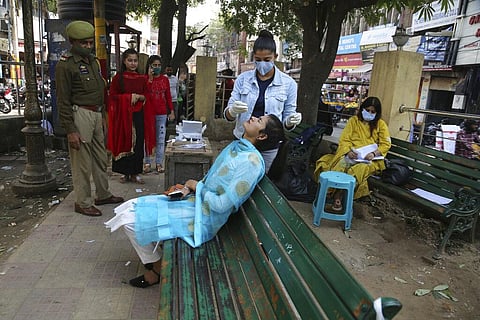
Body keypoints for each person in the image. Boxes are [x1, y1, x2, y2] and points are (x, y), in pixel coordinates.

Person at [105, 114, 285, 288]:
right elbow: (210, 180)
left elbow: (222, 205)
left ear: (262, 135)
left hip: (204, 218)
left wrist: (196, 186)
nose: (253, 117)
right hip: (194, 202)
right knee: (129, 206)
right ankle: (155, 263)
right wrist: (187, 188)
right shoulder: (238, 147)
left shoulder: (251, 163)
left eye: (259, 120)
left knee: (129, 222)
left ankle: (157, 269)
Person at [56, 20, 124, 217]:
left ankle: (103, 194)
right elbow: (63, 100)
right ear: (72, 42)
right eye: (83, 43)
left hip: (96, 114)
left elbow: (100, 90)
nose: (87, 46)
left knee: (101, 158)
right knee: (82, 163)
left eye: (89, 42)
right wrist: (70, 130)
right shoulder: (66, 65)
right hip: (80, 114)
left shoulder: (93, 61)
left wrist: (102, 115)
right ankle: (83, 202)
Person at [224, 30, 301, 172]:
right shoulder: (243, 79)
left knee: (264, 181)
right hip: (243, 140)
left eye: (267, 60)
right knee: (237, 176)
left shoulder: (288, 84)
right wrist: (232, 110)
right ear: (253, 57)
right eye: (258, 60)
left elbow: (287, 121)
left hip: (270, 145)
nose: (262, 64)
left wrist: (290, 122)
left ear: (275, 57)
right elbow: (228, 115)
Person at [314, 96, 391, 210]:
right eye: (367, 110)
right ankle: (329, 191)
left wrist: (374, 154)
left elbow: (385, 144)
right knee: (341, 165)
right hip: (352, 154)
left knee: (358, 170)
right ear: (362, 109)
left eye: (373, 112)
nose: (369, 113)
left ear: (377, 113)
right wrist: (348, 151)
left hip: (370, 159)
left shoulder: (381, 124)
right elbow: (344, 139)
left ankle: (338, 195)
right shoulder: (353, 121)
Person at [107, 48, 151, 184]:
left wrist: (139, 96)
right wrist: (128, 97)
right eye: (130, 60)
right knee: (123, 141)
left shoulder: (143, 79)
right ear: (124, 61)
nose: (133, 63)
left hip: (138, 115)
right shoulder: (117, 78)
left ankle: (135, 172)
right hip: (122, 116)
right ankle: (124, 173)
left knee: (138, 142)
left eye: (135, 61)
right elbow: (112, 96)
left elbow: (148, 96)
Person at [143, 55, 175, 174]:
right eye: (154, 65)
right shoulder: (145, 79)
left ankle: (159, 163)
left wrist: (171, 111)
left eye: (158, 65)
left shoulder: (164, 79)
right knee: (147, 138)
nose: (157, 67)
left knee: (161, 139)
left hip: (162, 113)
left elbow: (168, 97)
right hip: (148, 114)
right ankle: (147, 162)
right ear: (149, 66)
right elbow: (145, 93)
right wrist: (150, 79)